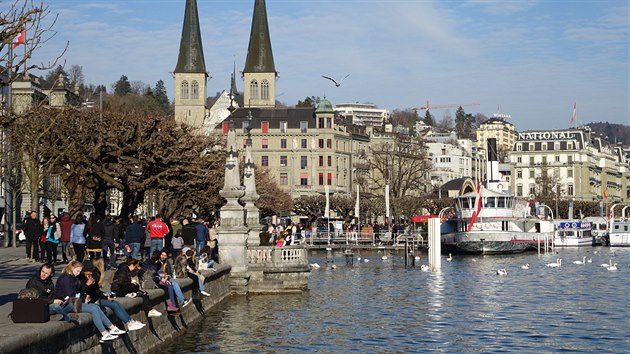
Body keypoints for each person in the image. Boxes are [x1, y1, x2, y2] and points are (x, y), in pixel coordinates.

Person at [54, 261, 126, 343]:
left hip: (75, 302)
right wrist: (86, 287)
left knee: (96, 307)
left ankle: (112, 328)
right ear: (72, 268)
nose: (78, 273)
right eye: (77, 271)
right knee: (93, 309)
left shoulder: (73, 277)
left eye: (80, 271)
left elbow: (78, 292)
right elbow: (71, 295)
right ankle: (104, 333)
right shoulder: (66, 278)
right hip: (67, 304)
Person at [81, 257, 145, 331]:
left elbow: (95, 290)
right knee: (113, 304)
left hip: (96, 297)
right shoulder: (92, 276)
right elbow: (91, 291)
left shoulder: (94, 275)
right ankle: (126, 324)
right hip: (92, 300)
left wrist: (106, 295)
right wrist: (104, 295)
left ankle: (130, 321)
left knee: (116, 303)